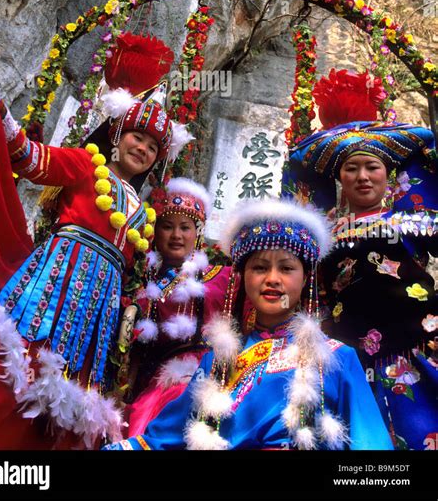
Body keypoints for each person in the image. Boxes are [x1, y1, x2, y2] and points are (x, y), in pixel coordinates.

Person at [0, 34, 192, 449]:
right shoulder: (87, 164)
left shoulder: (144, 210)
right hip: (52, 287)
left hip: (96, 311)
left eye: (153, 146)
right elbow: (29, 159)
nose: (142, 147)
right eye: (136, 137)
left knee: (67, 396)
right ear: (118, 137)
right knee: (18, 366)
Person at [102, 199, 393, 450]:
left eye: (287, 268)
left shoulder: (336, 358)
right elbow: (160, 440)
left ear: (306, 279)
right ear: (242, 278)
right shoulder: (215, 363)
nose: (273, 279)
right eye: (260, 267)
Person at [284, 68, 438, 451]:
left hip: (414, 348)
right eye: (351, 169)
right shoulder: (319, 234)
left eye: (373, 167)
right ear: (340, 179)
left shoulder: (413, 221)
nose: (363, 176)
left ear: (389, 176)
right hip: (344, 356)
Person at [125, 177, 232, 435]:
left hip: (208, 375)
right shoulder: (139, 279)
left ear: (197, 234)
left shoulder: (221, 276)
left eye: (185, 227)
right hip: (153, 379)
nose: (176, 235)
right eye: (167, 226)